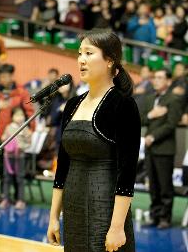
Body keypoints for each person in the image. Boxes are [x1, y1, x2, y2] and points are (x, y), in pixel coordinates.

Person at [47, 29, 141, 252]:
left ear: (109, 60)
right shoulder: (72, 104)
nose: (81, 59)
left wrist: (117, 227)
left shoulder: (122, 104)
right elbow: (63, 166)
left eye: (89, 53)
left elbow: (127, 171)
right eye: (80, 53)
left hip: (106, 207)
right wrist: (53, 217)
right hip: (73, 206)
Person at [140, 69, 182, 229]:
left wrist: (153, 136)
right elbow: (142, 119)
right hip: (150, 149)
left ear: (168, 81)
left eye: (159, 78)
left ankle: (165, 217)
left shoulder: (174, 99)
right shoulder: (150, 98)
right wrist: (152, 115)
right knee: (153, 185)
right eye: (154, 78)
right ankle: (155, 215)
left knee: (165, 186)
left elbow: (171, 125)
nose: (155, 80)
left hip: (164, 148)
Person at [0, 107, 32, 210]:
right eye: (17, 115)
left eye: (21, 115)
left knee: (20, 179)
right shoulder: (9, 127)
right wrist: (4, 139)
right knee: (6, 178)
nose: (19, 117)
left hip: (20, 158)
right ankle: (6, 199)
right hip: (8, 158)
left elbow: (29, 143)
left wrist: (21, 147)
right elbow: (2, 140)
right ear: (12, 117)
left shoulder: (25, 128)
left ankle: (21, 200)